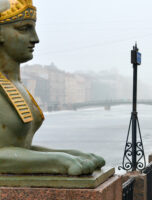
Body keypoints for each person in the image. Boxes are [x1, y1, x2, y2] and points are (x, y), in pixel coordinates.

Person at [0, 0, 105, 175]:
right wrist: (60, 161)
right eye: (24, 29)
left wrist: (71, 155)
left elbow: (17, 149)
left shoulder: (16, 85)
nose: (35, 39)